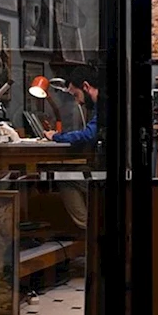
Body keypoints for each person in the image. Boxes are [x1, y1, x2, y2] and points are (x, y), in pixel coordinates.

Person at [44, 66, 101, 230]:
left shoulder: (104, 106)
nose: (78, 101)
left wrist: (56, 137)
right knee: (68, 172)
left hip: (107, 171)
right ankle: (90, 227)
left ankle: (90, 229)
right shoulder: (101, 105)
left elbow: (88, 135)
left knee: (64, 177)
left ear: (86, 86)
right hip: (101, 165)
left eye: (76, 95)